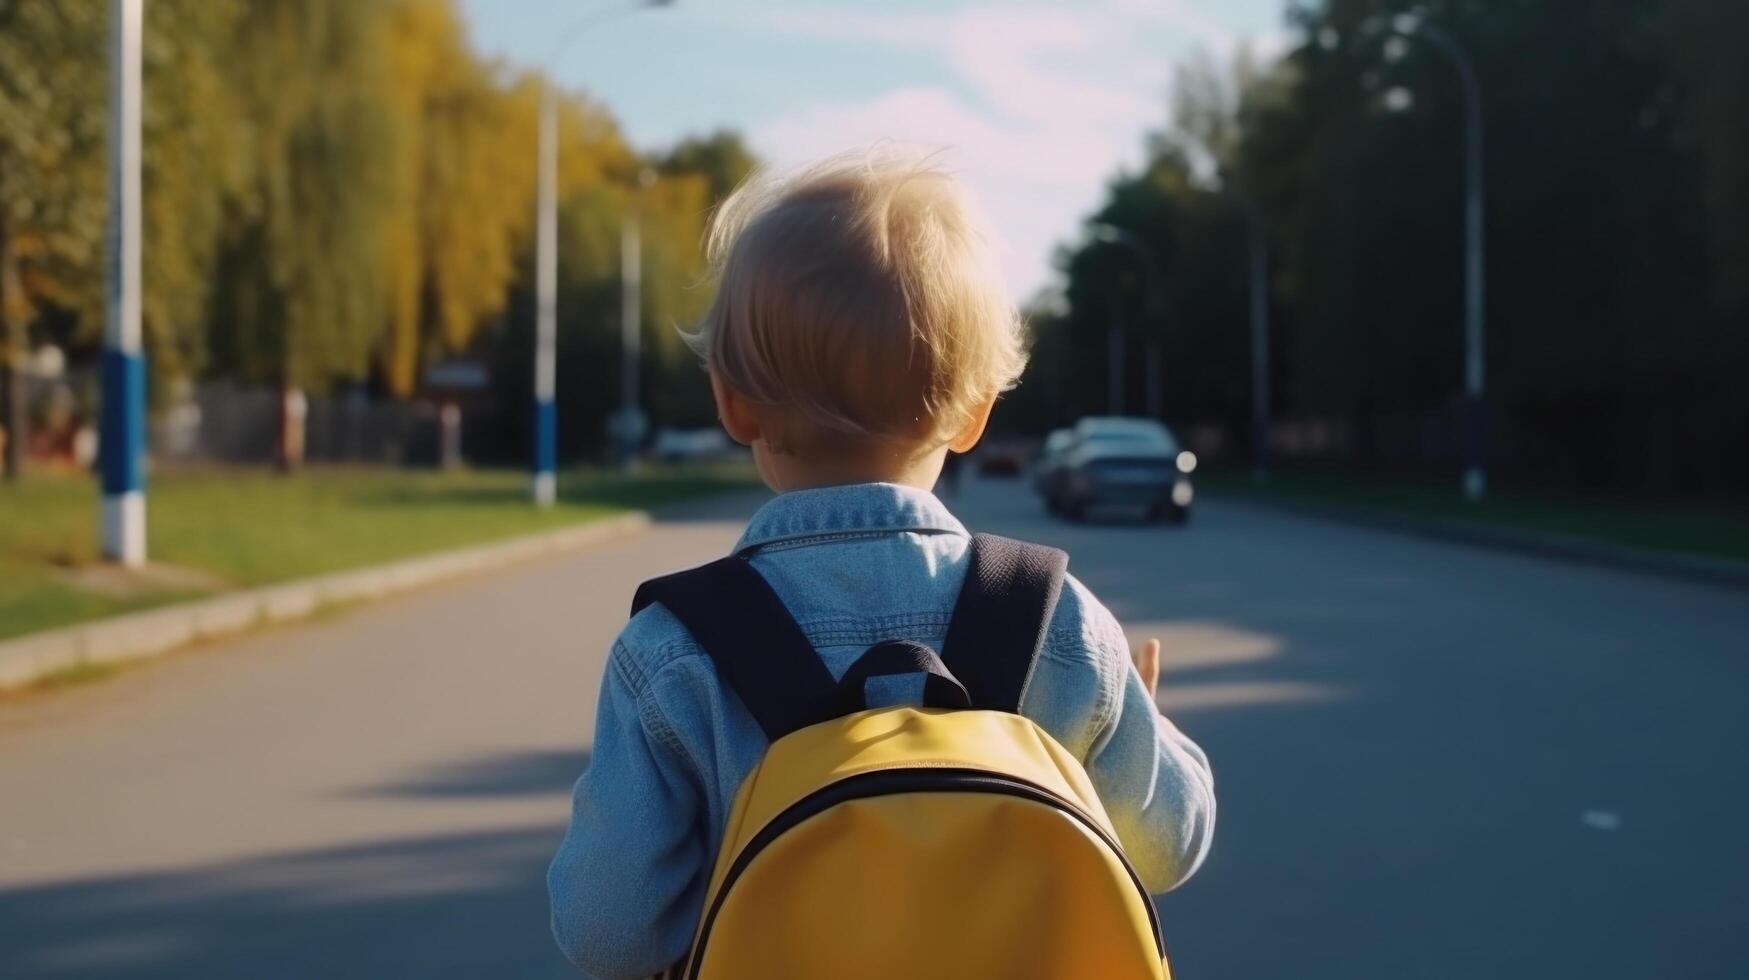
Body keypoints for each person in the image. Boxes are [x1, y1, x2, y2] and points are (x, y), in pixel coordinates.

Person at [547, 151, 1215, 980]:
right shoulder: (1058, 621)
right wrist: (1145, 718)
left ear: (732, 403)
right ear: (972, 414)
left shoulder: (674, 651)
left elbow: (608, 933)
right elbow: (1169, 846)